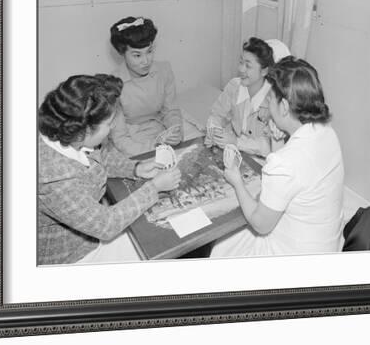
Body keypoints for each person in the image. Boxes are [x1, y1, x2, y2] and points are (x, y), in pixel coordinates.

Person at [38, 74, 181, 265]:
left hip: (90, 225)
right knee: (159, 243)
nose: (113, 126)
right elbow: (106, 225)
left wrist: (136, 168)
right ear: (85, 130)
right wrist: (154, 188)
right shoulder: (54, 180)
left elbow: (101, 155)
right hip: (71, 254)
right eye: (109, 123)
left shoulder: (70, 135)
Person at [211, 56, 345, 257]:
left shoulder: (284, 162)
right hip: (327, 245)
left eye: (270, 99)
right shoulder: (327, 132)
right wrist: (277, 141)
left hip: (296, 258)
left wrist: (237, 181)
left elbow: (260, 224)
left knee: (222, 245)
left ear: (283, 107)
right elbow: (290, 181)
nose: (268, 105)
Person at [108, 16, 183, 156]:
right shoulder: (113, 85)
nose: (146, 61)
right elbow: (120, 138)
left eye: (149, 51)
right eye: (137, 55)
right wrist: (157, 147)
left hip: (160, 131)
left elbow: (171, 110)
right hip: (130, 141)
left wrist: (175, 130)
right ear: (122, 53)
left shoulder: (164, 70)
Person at [206, 37, 284, 157]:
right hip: (235, 153)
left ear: (264, 71)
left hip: (262, 160)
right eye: (241, 62)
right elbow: (216, 114)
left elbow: (269, 145)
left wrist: (237, 142)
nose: (241, 69)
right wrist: (214, 130)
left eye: (248, 66)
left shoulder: (274, 99)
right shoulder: (234, 86)